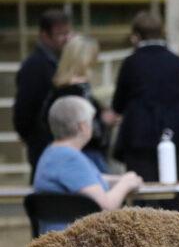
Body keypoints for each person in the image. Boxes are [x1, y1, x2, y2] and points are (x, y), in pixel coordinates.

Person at [112, 11, 179, 182]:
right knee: (172, 194)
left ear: (136, 36)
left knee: (143, 195)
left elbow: (118, 104)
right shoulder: (177, 62)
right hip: (174, 135)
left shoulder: (131, 63)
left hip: (138, 138)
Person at [33, 96, 143, 233]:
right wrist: (125, 184)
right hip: (77, 242)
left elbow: (86, 180)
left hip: (57, 239)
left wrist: (120, 179)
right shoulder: (70, 159)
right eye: (91, 121)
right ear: (82, 127)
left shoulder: (52, 154)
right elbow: (106, 206)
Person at [40, 35, 119, 173]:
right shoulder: (79, 90)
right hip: (86, 154)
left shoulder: (58, 89)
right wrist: (103, 120)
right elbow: (89, 128)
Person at [14, 9, 72, 182]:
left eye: (67, 33)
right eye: (59, 34)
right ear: (44, 35)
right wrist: (34, 137)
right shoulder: (35, 66)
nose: (65, 38)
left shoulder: (54, 62)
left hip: (47, 141)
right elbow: (24, 109)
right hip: (42, 142)